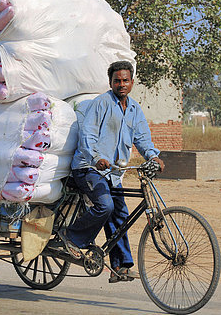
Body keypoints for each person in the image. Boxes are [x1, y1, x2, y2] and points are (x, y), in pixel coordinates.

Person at [58, 60, 165, 283]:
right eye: (117, 80)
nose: (121, 84)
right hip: (88, 168)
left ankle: (121, 266)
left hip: (113, 174)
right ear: (110, 82)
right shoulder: (101, 104)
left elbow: (143, 139)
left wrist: (153, 156)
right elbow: (87, 136)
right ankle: (71, 237)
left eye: (125, 80)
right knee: (105, 205)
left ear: (132, 82)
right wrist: (97, 158)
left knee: (120, 214)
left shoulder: (134, 109)